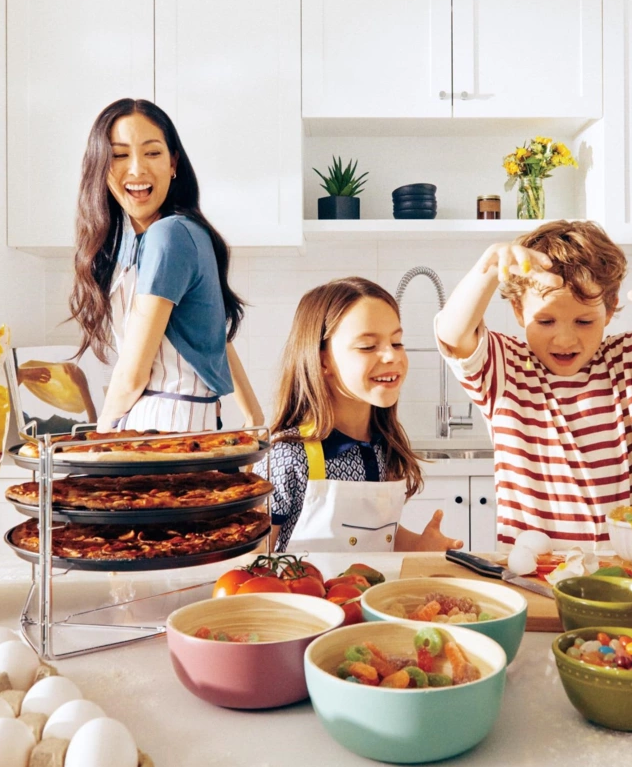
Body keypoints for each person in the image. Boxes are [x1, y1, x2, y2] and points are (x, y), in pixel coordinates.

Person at [434, 220, 632, 547]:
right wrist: (487, 270)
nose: (564, 339)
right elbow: (453, 334)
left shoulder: (629, 361)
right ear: (518, 310)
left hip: (628, 561)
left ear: (610, 309)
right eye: (545, 320)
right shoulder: (506, 370)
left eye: (584, 321)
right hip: (534, 565)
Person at [69, 98, 263, 433]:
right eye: (119, 155)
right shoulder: (170, 235)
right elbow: (208, 331)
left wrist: (98, 438)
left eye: (152, 152)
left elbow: (132, 375)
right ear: (101, 167)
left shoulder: (168, 236)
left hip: (162, 426)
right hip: (177, 422)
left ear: (173, 163)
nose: (136, 169)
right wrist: (254, 415)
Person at [259, 277, 464, 553]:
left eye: (397, 342)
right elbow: (253, 559)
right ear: (322, 361)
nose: (391, 356)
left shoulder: (383, 446)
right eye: (368, 346)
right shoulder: (286, 456)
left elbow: (375, 534)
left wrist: (420, 546)